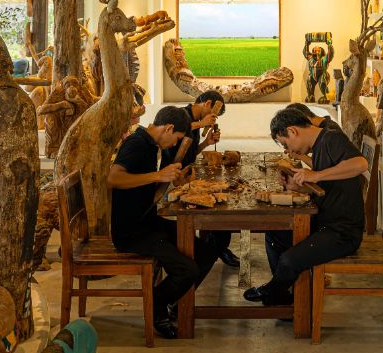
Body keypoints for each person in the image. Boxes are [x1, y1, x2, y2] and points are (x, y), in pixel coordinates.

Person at [108, 106, 219, 339]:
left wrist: (173, 181)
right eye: (176, 138)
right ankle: (157, 305)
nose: (174, 143)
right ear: (168, 128)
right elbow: (113, 178)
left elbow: (148, 189)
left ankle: (174, 303)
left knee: (207, 252)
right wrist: (158, 175)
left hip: (148, 222)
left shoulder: (150, 144)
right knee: (187, 269)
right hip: (131, 232)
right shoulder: (137, 143)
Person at [244, 108, 368, 306]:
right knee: (275, 233)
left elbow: (361, 164)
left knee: (289, 260)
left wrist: (316, 175)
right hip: (324, 222)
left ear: (292, 131)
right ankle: (281, 298)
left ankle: (273, 291)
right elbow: (327, 186)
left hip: (343, 232)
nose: (289, 149)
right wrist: (298, 187)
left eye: (286, 143)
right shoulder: (318, 145)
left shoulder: (331, 138)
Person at [160, 90, 240, 268]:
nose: (212, 119)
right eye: (213, 114)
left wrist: (206, 143)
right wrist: (201, 124)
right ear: (208, 104)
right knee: (213, 209)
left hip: (188, 174)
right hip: (172, 178)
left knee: (221, 203)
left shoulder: (195, 121)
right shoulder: (180, 115)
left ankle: (217, 247)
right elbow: (176, 129)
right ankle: (212, 250)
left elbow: (191, 152)